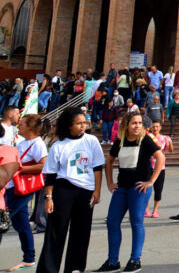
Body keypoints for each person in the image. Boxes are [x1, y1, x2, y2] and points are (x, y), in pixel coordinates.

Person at [95, 110, 165, 272]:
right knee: (112, 222)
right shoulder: (120, 140)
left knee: (136, 222)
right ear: (126, 125)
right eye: (134, 123)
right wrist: (110, 183)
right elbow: (109, 160)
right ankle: (113, 261)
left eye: (140, 123)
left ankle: (135, 260)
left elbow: (160, 157)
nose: (138, 126)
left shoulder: (145, 140)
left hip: (139, 188)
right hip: (122, 188)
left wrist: (151, 181)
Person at [39, 108, 105, 273]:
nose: (83, 126)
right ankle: (48, 269)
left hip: (86, 192)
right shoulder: (58, 146)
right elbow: (51, 175)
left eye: (85, 123)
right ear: (69, 125)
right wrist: (49, 197)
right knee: (56, 231)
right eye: (79, 123)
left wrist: (97, 191)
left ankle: (75, 268)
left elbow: (98, 167)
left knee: (82, 231)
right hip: (63, 190)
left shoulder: (91, 141)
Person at [3, 113, 46, 271]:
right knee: (21, 224)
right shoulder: (23, 143)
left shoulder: (37, 144)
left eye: (21, 124)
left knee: (3, 220)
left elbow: (43, 165)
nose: (18, 126)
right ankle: (29, 258)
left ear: (30, 127)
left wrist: (19, 169)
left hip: (23, 188)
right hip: (14, 187)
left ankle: (29, 257)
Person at [145, 120, 173, 218]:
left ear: (160, 127)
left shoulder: (165, 138)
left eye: (157, 126)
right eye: (153, 126)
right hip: (148, 167)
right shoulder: (148, 137)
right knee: (146, 189)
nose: (155, 128)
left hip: (160, 167)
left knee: (158, 189)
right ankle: (146, 209)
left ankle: (155, 210)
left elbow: (170, 150)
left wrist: (170, 143)